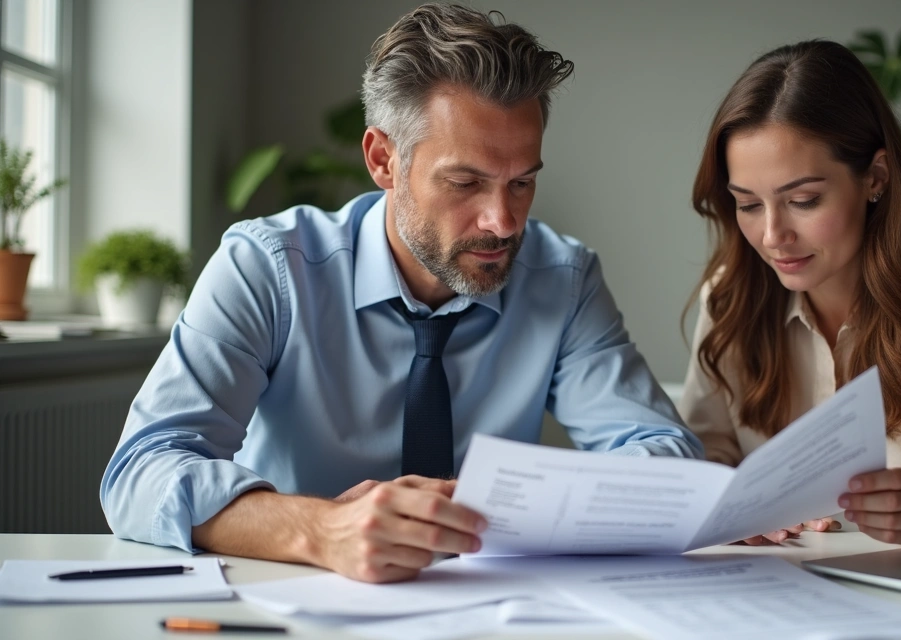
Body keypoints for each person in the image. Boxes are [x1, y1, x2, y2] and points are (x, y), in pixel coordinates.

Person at [101, 3, 703, 584]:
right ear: (383, 160)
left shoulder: (562, 279)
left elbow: (664, 457)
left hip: (497, 612)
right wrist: (323, 529)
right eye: (465, 182)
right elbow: (141, 471)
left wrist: (494, 505)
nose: (502, 220)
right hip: (292, 607)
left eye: (522, 182)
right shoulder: (267, 267)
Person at [679, 39, 901, 549]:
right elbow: (704, 452)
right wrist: (730, 498)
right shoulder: (731, 296)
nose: (771, 235)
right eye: (747, 204)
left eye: (803, 200)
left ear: (875, 177)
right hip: (769, 594)